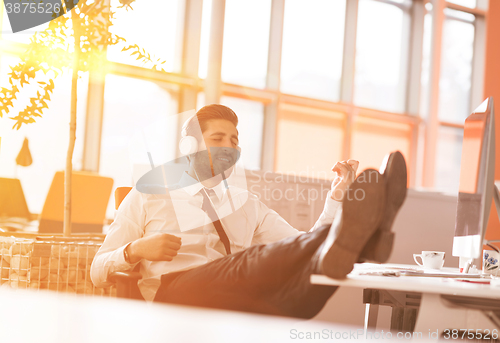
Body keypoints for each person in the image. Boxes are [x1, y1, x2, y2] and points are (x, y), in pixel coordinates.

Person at [91, 104, 407, 318]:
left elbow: (301, 243)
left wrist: (337, 198)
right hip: (174, 296)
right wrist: (135, 250)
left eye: (234, 140)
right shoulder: (149, 194)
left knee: (303, 289)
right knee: (249, 261)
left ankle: (362, 241)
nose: (229, 147)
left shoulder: (246, 203)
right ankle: (367, 239)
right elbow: (96, 270)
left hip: (233, 295)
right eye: (217, 139)